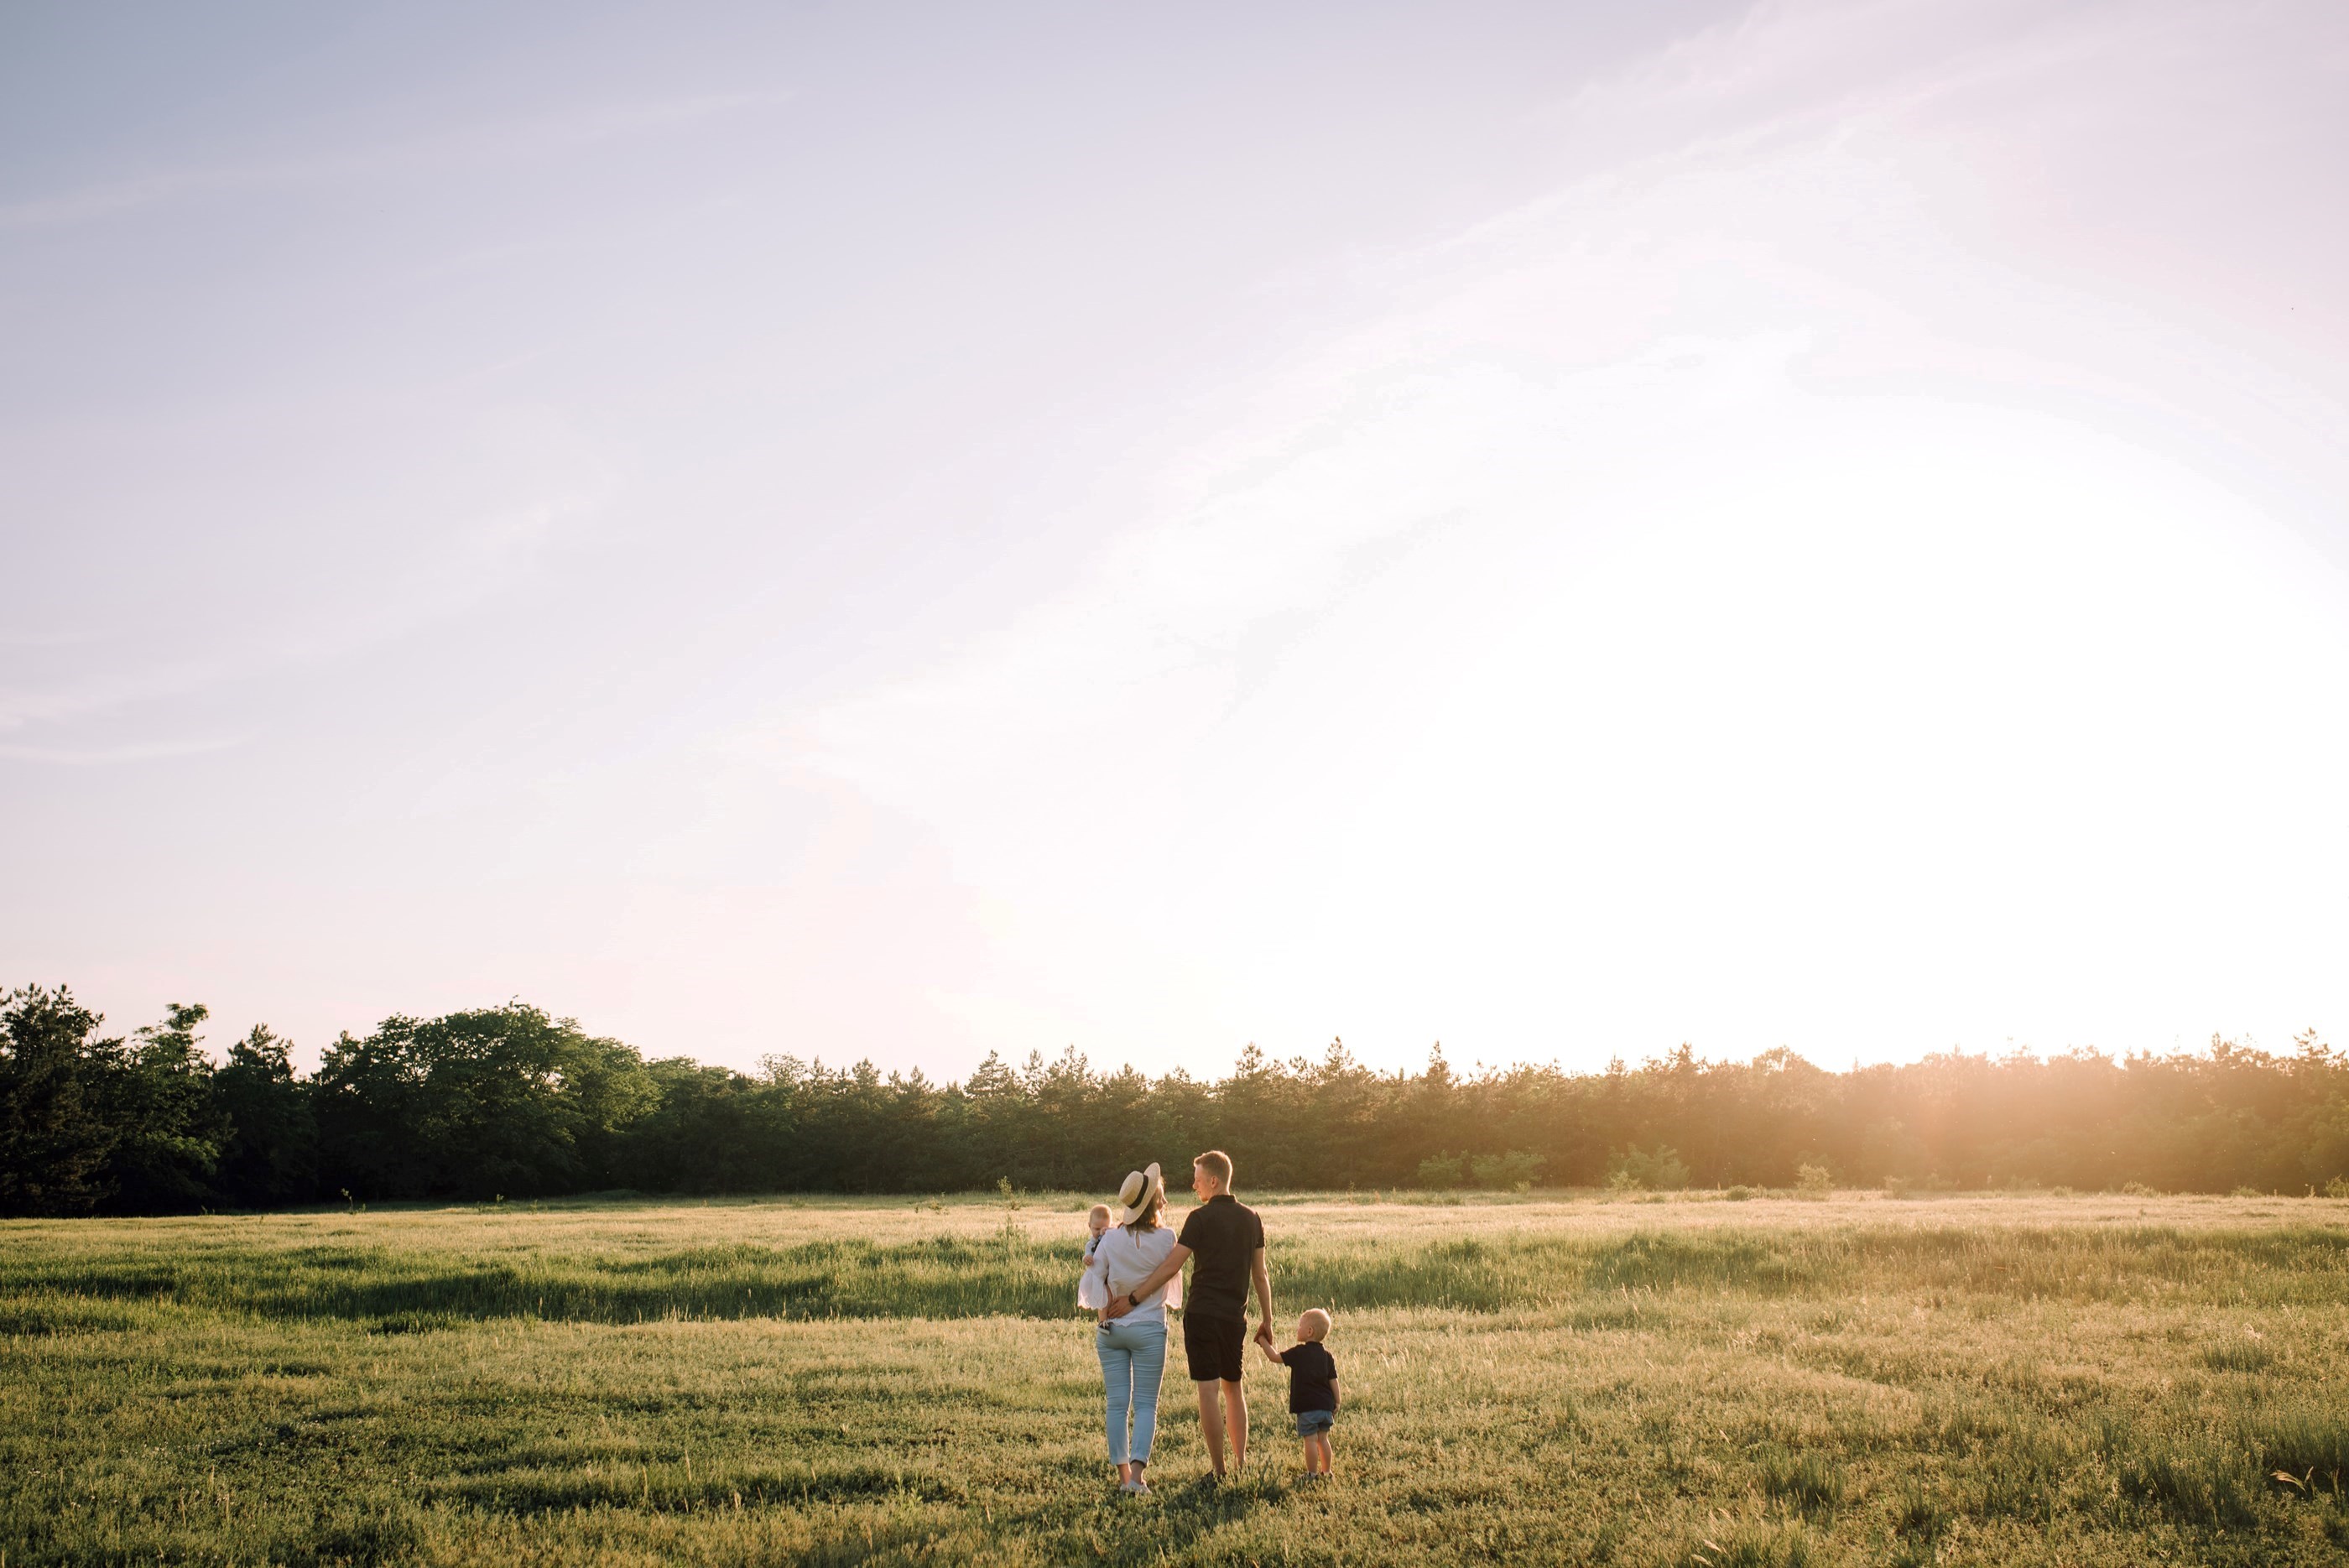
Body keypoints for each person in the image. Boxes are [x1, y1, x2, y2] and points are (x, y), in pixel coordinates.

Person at [1102, 1149, 1271, 1482]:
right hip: (1236, 1317)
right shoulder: (1253, 1218)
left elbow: (1170, 1267)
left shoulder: (1199, 1218)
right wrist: (1267, 1318)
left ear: (1213, 1180)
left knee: (1208, 1390)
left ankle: (1219, 1470)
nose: (1194, 1186)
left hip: (1202, 1314)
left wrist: (1134, 1297)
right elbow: (1260, 1275)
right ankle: (1241, 1464)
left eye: (1197, 1180)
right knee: (1234, 1388)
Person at [1087, 1164, 1182, 1493]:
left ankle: (1123, 1478)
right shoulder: (1168, 1237)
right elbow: (1170, 1288)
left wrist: (1104, 1315)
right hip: (1150, 1330)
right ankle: (1138, 1478)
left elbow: (1093, 1281)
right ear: (1155, 1202)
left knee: (1116, 1404)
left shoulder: (1110, 1239)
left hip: (1111, 1329)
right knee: (1145, 1405)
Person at [1260, 1307, 1340, 1481]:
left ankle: (1311, 1475)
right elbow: (1333, 1380)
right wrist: (1338, 1402)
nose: (1297, 1328)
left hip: (1308, 1407)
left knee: (1310, 1440)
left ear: (1309, 1331)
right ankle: (1327, 1473)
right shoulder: (1327, 1356)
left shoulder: (1299, 1352)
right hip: (1326, 1407)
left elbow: (1274, 1357)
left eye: (1300, 1325)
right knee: (1323, 1439)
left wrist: (1262, 1340)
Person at [1077, 1202, 1112, 1311]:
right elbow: (1087, 1254)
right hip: (1098, 1276)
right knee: (1101, 1300)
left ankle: (1113, 1318)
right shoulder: (1091, 1244)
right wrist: (1086, 1259)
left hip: (1111, 1275)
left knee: (1112, 1298)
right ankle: (1103, 1322)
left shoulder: (1111, 1239)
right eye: (1097, 1229)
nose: (1101, 1232)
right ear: (1089, 1226)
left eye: (1105, 1228)